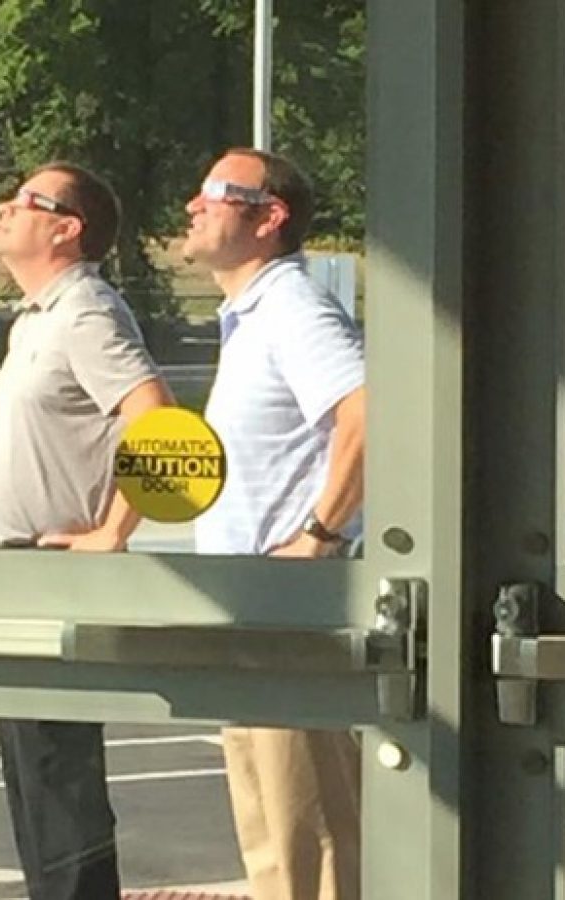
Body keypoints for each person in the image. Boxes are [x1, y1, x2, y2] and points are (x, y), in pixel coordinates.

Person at [0, 161, 173, 900]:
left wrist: (111, 532)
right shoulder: (40, 316)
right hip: (14, 573)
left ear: (67, 229)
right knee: (36, 784)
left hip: (50, 571)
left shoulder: (86, 308)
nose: (5, 208)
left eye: (27, 200)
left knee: (59, 789)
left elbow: (154, 416)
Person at [184, 148, 365, 900]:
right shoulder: (252, 316)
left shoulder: (292, 307)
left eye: (214, 194)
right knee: (270, 830)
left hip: (287, 612)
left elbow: (367, 415)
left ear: (271, 217)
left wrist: (318, 536)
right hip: (249, 609)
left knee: (309, 827)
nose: (193, 207)